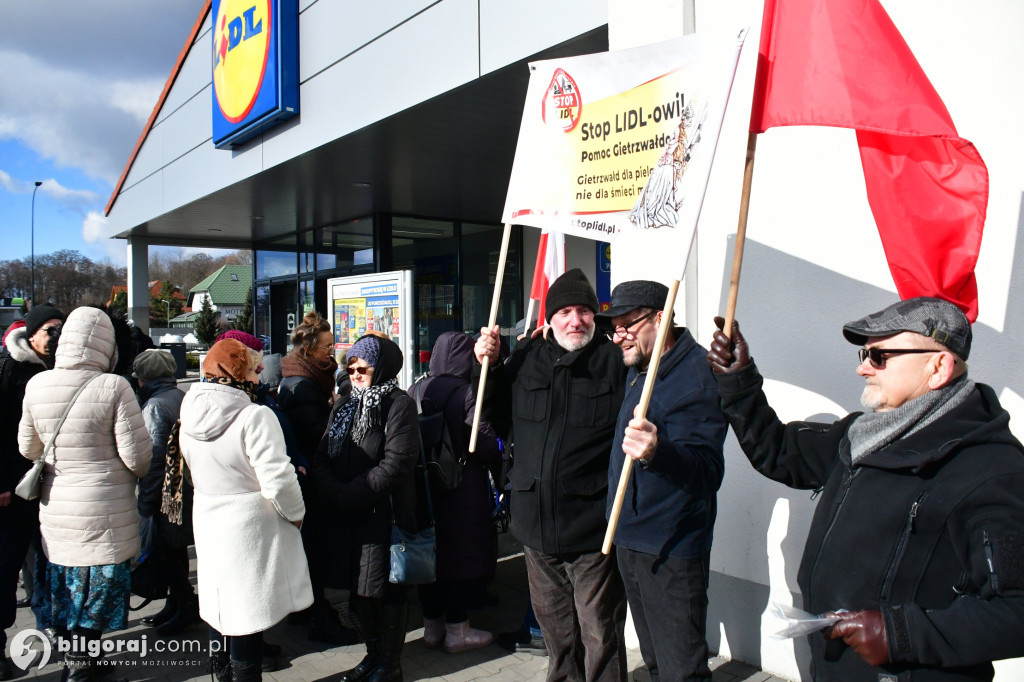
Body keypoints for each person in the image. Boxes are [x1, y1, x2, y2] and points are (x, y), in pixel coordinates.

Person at [707, 297, 1024, 681]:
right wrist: (737, 379)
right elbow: (780, 452)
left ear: (938, 366)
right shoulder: (864, 435)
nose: (861, 368)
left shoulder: (991, 469)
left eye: (879, 356)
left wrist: (900, 634)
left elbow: (1015, 610)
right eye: (864, 353)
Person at [474, 268, 629, 682]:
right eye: (564, 311)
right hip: (535, 527)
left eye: (583, 311)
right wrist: (485, 365)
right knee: (557, 635)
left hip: (593, 527)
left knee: (601, 633)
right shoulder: (525, 357)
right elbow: (491, 413)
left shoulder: (614, 362)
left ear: (595, 316)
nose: (574, 320)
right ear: (550, 316)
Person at [597, 281, 726, 682]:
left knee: (680, 669)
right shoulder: (639, 365)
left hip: (670, 548)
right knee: (655, 661)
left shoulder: (697, 375)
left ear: (659, 318)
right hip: (629, 537)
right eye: (613, 328)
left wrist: (657, 452)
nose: (619, 337)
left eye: (627, 326)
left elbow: (708, 472)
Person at [18, 307, 152, 680]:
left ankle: (80, 662)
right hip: (104, 510)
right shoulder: (114, 386)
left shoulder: (37, 384)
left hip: (57, 507)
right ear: (106, 344)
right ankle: (80, 669)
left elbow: (28, 448)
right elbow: (138, 458)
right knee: (97, 592)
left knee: (67, 588)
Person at [174, 339, 313, 681]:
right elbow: (279, 479)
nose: (260, 370)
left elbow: (188, 470)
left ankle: (220, 675)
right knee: (247, 617)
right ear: (237, 372)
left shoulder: (189, 410)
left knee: (219, 608)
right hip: (250, 526)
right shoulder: (254, 415)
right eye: (253, 366)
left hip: (209, 518)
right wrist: (295, 515)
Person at [313, 334, 420, 682]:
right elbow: (321, 455)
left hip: (381, 516)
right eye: (351, 368)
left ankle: (390, 664)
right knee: (356, 591)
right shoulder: (344, 403)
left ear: (382, 368)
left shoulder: (397, 404)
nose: (355, 374)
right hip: (345, 516)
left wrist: (347, 495)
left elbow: (396, 464)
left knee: (383, 591)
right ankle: (373, 654)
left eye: (363, 369)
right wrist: (333, 491)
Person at [407, 331, 500, 653]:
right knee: (458, 557)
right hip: (461, 487)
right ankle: (458, 631)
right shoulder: (465, 392)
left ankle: (431, 627)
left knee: (430, 554)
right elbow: (484, 440)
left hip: (423, 487)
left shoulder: (416, 388)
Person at [276, 312, 353, 644]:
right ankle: (319, 617)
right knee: (315, 550)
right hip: (310, 481)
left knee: (309, 550)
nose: (330, 351)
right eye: (325, 346)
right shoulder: (304, 385)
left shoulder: (303, 377)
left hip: (308, 476)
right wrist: (339, 407)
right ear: (308, 350)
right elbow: (319, 436)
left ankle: (304, 610)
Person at [0, 305, 63, 680]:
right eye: (50, 330)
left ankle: (48, 624)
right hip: (13, 489)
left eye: (62, 330)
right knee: (7, 564)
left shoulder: (54, 370)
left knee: (45, 560)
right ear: (33, 334)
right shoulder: (9, 370)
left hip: (47, 487)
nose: (56, 338)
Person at [133, 349, 197, 636]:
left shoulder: (155, 406)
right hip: (182, 487)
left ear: (142, 379)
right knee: (176, 549)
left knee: (169, 551)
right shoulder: (180, 396)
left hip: (168, 492)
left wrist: (146, 502)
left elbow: (154, 459)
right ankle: (177, 602)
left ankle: (184, 605)